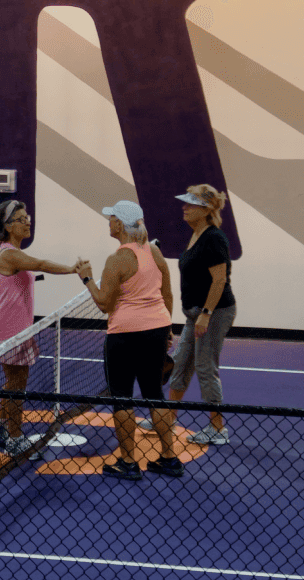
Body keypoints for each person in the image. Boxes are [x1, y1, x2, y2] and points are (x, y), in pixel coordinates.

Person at [77, 200, 184, 480]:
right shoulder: (155, 252)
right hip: (157, 330)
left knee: (122, 397)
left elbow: (103, 304)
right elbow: (168, 294)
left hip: (124, 336)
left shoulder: (117, 260)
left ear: (119, 225)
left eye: (111, 218)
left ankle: (128, 461)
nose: (108, 222)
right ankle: (169, 458)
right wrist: (167, 327)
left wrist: (87, 278)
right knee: (154, 394)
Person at [0, 199, 80, 457]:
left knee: (12, 382)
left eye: (28, 216)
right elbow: (41, 265)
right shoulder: (10, 254)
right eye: (21, 219)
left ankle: (0, 424)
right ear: (7, 226)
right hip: (9, 333)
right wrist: (73, 270)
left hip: (18, 331)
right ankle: (15, 439)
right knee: (17, 386)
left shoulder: (10, 251)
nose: (28, 221)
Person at [165, 184, 237, 444]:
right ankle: (166, 419)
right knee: (181, 361)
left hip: (215, 312)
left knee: (205, 366)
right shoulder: (196, 234)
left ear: (206, 209)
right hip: (195, 313)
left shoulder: (214, 238)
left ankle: (218, 429)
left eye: (190, 204)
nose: (184, 207)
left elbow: (219, 281)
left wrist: (206, 314)